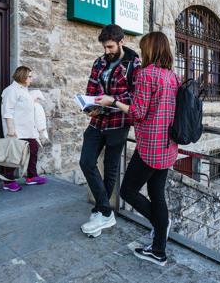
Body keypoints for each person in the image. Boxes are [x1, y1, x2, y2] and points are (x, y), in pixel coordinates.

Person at [96, 31, 179, 266]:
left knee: (127, 192)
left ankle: (160, 228)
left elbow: (137, 113)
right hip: (168, 145)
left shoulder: (146, 75)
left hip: (150, 146)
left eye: (143, 48)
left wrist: (112, 101)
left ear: (149, 49)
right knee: (157, 195)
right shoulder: (172, 76)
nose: (141, 52)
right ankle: (159, 249)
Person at [79, 24, 141, 236]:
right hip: (97, 122)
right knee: (86, 162)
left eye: (110, 47)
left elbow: (136, 97)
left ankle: (100, 212)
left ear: (121, 41)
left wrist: (112, 101)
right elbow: (91, 88)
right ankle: (106, 212)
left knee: (110, 167)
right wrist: (91, 106)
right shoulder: (99, 62)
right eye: (104, 47)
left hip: (118, 123)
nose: (106, 51)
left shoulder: (134, 63)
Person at [0, 66, 49, 191]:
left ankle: (31, 177)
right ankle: (7, 181)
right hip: (16, 129)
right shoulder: (11, 90)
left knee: (33, 150)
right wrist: (10, 130)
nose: (31, 79)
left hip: (28, 128)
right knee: (14, 155)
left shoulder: (23, 90)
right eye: (30, 76)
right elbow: (8, 111)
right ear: (22, 76)